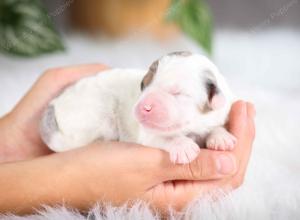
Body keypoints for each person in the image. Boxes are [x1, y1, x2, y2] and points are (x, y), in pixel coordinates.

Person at [0, 64, 255, 214]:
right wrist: (67, 177)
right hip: (73, 119)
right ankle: (66, 144)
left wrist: (216, 134)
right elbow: (149, 137)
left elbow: (212, 126)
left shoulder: (216, 105)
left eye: (177, 93)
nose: (145, 103)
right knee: (89, 122)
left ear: (214, 99)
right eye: (146, 87)